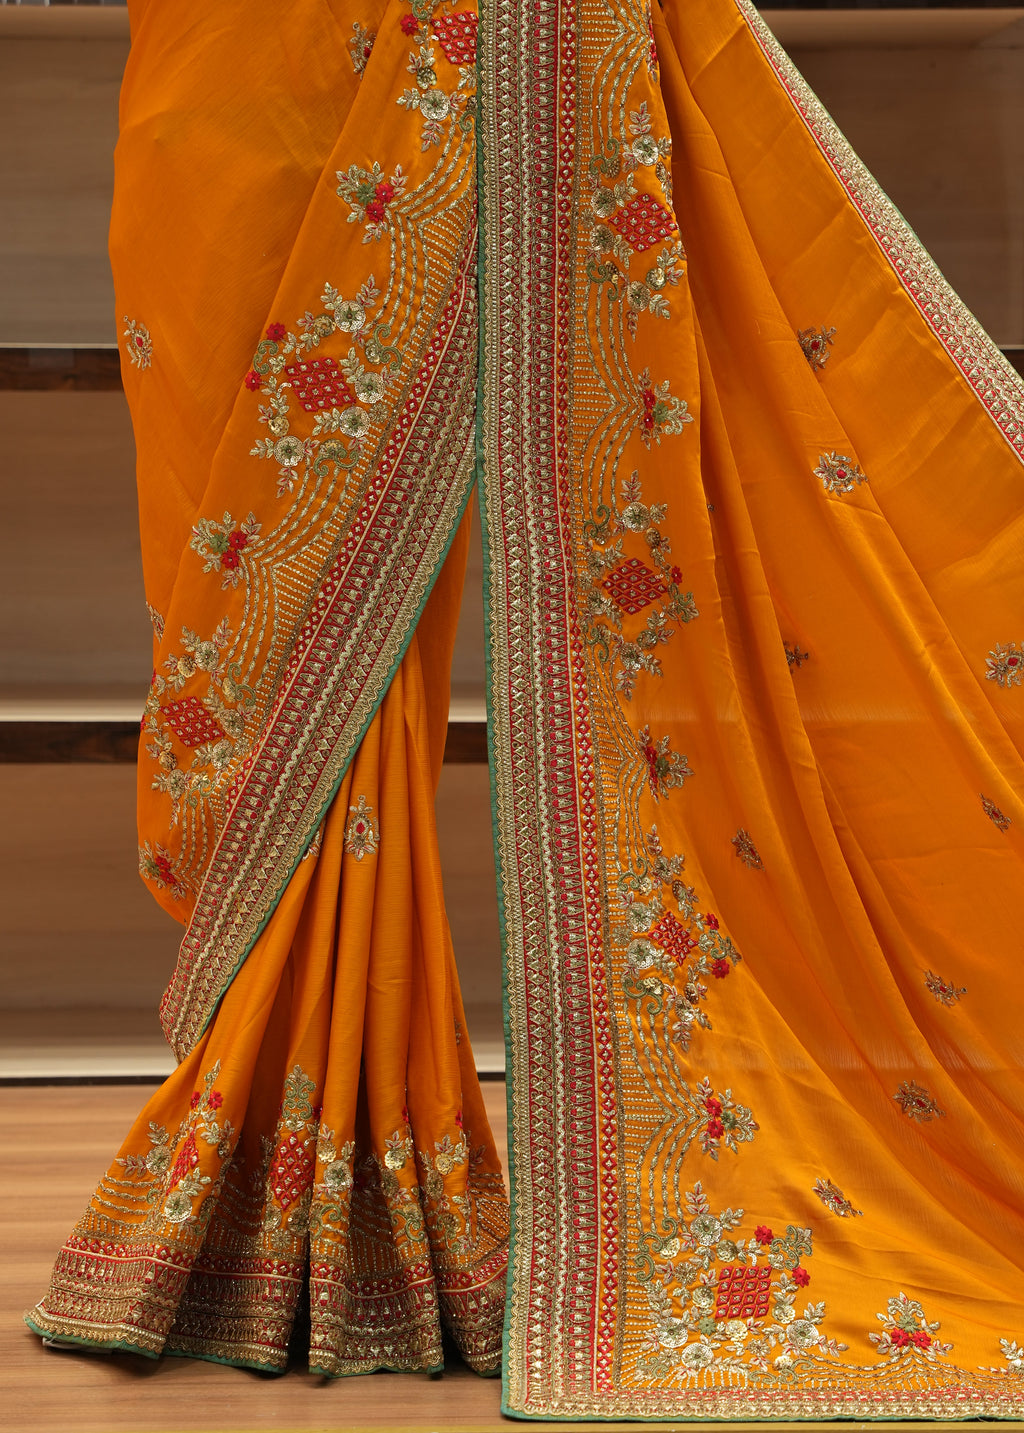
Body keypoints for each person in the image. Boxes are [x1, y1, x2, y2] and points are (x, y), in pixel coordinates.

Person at [28, 0, 1024, 1417]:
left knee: (341, 586)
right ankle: (286, 1142)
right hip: (220, 52)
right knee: (237, 551)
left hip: (429, 34)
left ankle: (341, 1168)